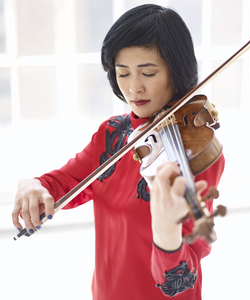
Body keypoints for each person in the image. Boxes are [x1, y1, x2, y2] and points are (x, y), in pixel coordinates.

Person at [12, 4, 225, 299]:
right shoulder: (111, 134)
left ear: (177, 70)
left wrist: (166, 232)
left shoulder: (194, 151)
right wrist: (32, 184)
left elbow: (184, 275)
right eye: (123, 73)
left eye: (148, 73)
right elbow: (61, 184)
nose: (134, 88)